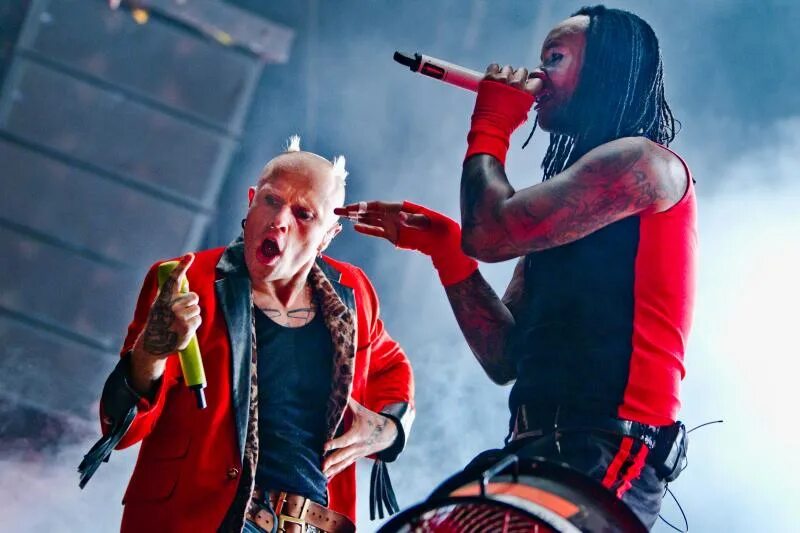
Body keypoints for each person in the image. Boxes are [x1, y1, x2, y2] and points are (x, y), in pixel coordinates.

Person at [336, 5, 695, 529]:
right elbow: (505, 357)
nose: (537, 73)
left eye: (555, 58)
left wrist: (491, 123)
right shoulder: (568, 206)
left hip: (607, 451)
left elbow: (489, 232)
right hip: (538, 449)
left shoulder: (645, 165)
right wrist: (447, 253)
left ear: (605, 69)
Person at [79, 137, 415, 533]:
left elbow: (391, 368)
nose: (280, 220)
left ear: (328, 235)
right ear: (252, 201)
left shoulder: (353, 293)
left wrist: (389, 429)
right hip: (204, 521)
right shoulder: (186, 284)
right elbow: (120, 430)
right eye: (272, 201)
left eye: (304, 214)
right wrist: (149, 354)